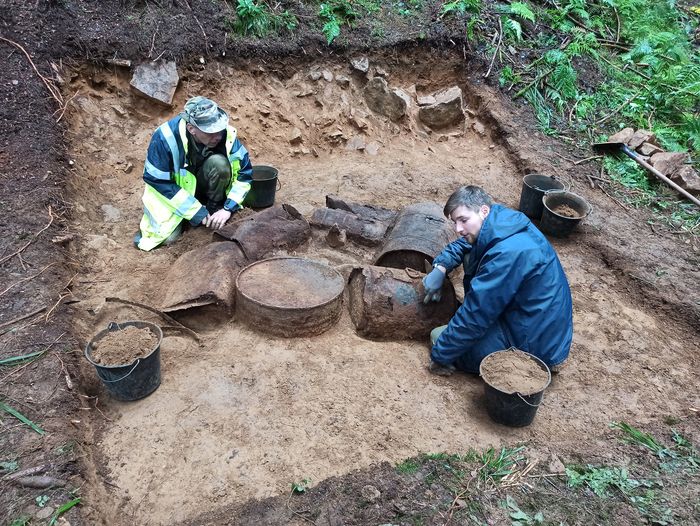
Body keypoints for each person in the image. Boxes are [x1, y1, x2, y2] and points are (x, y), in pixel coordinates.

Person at [423, 185, 573, 376]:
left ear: (483, 211)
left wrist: (440, 356)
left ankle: (532, 369)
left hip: (533, 346)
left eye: (463, 220)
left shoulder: (506, 255)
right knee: (470, 251)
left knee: (438, 337)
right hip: (536, 323)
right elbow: (466, 244)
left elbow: (476, 316)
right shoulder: (503, 222)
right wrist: (441, 266)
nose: (458, 229)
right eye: (455, 222)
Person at [134, 96, 253, 251]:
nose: (217, 136)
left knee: (219, 164)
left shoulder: (226, 134)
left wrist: (227, 209)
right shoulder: (165, 138)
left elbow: (244, 173)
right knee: (168, 239)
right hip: (176, 195)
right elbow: (157, 180)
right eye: (210, 133)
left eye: (219, 130)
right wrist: (195, 211)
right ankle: (188, 218)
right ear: (192, 129)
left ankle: (212, 207)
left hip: (205, 186)